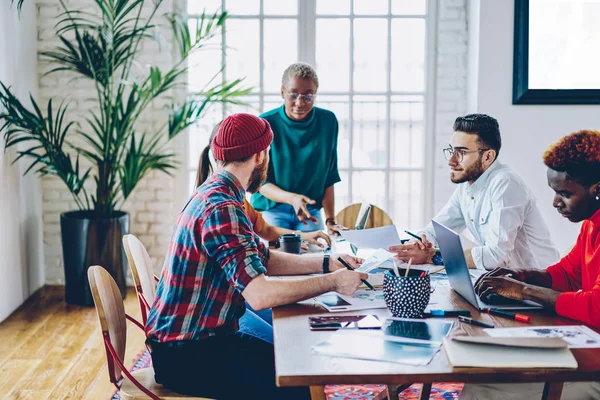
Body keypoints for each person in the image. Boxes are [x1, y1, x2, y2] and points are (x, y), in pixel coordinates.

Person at [145, 113, 367, 400]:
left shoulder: (219, 194)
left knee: (296, 362)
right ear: (261, 155)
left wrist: (328, 263)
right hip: (189, 355)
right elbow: (260, 295)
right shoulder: (222, 206)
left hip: (188, 345)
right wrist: (333, 282)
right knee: (298, 379)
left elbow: (265, 259)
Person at [461, 130, 600, 399]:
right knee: (482, 380)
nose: (556, 202)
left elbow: (596, 307)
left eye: (565, 193)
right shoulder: (591, 225)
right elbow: (569, 275)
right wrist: (521, 276)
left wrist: (523, 291)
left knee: (483, 390)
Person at [389, 114, 559, 270]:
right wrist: (417, 243)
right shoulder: (467, 185)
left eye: (461, 152)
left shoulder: (506, 184)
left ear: (488, 157)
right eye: (451, 150)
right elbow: (436, 230)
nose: (451, 160)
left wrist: (434, 256)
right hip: (505, 284)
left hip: (537, 289)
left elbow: (496, 256)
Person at [196, 122, 332, 251]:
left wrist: (302, 235)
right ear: (260, 155)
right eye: (268, 151)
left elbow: (265, 230)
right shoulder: (226, 207)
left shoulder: (230, 195)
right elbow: (251, 265)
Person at [250, 62, 346, 235]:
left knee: (317, 254)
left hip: (310, 212)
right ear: (282, 92)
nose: (300, 103)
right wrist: (292, 199)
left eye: (308, 96)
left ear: (315, 95)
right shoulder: (265, 123)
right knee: (275, 255)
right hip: (272, 209)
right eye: (293, 95)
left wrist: (331, 220)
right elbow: (260, 182)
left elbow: (329, 176)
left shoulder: (328, 122)